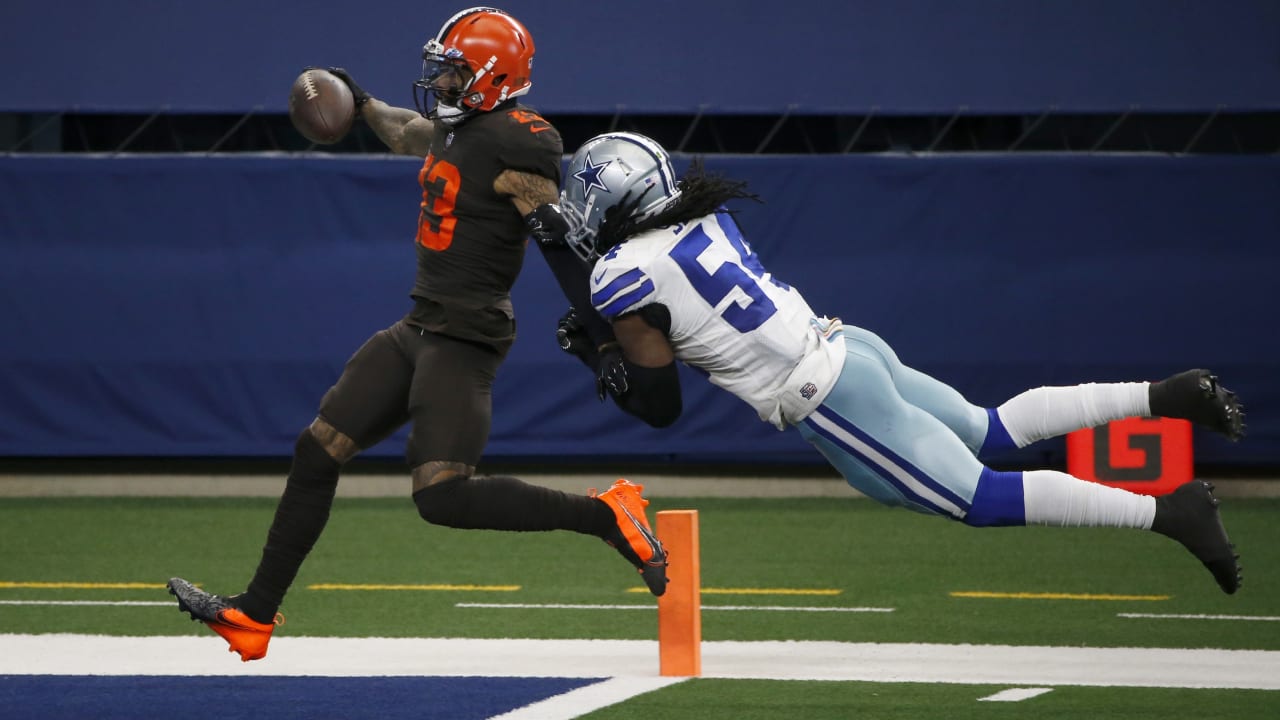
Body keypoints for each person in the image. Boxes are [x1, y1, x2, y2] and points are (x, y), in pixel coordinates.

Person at [166, 9, 667, 663]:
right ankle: (253, 616)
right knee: (317, 451)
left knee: (442, 495)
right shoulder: (461, 129)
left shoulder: (520, 141)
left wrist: (604, 342)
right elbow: (409, 132)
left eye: (455, 70)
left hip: (466, 334)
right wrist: (364, 103)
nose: (441, 80)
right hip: (420, 324)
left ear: (491, 77)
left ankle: (609, 516)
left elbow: (558, 244)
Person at [546, 131, 1245, 598]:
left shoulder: (621, 276)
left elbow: (660, 403)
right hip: (851, 348)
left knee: (981, 497)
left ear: (618, 201)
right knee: (992, 430)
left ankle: (1168, 513)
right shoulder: (702, 216)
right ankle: (1161, 394)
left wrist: (599, 352)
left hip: (826, 397)